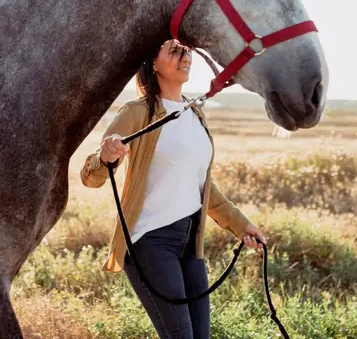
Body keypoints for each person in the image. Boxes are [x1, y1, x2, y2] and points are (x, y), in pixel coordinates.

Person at [80, 38, 267, 339]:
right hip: (150, 242)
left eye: (187, 50)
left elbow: (205, 189)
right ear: (153, 64)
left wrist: (242, 225)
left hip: (191, 244)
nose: (186, 56)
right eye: (175, 51)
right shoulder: (137, 112)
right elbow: (91, 176)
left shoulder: (194, 114)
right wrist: (105, 157)